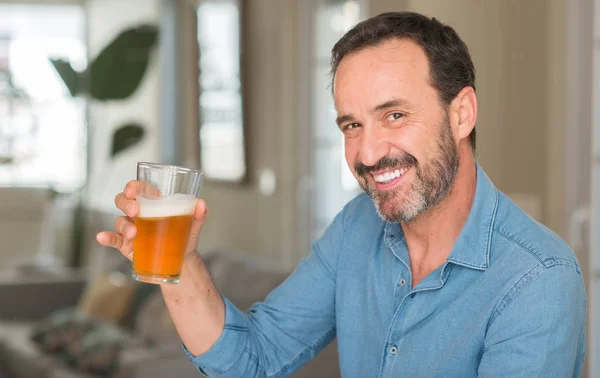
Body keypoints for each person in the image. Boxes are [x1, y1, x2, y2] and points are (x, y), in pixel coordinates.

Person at [97, 11, 586, 378]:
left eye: (394, 115)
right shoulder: (357, 226)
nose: (368, 152)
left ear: (462, 114)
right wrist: (179, 265)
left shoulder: (537, 280)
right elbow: (253, 358)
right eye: (352, 124)